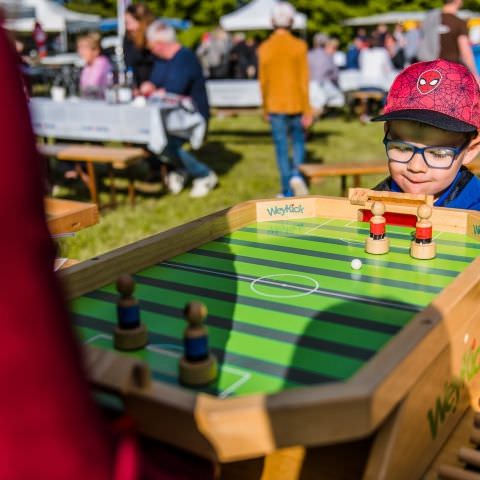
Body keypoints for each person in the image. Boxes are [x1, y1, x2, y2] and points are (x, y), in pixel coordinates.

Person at [371, 59, 480, 210]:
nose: (415, 167)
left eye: (438, 154)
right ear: (387, 133)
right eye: (402, 148)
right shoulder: (373, 203)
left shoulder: (475, 212)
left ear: (471, 150)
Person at [141, 21, 217, 198]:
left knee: (166, 143)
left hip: (191, 117)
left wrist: (156, 90)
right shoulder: (161, 61)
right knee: (151, 136)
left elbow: (175, 89)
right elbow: (156, 83)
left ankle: (203, 174)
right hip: (169, 117)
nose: (150, 49)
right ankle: (182, 169)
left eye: (151, 44)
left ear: (160, 43)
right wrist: (150, 86)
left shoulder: (186, 58)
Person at [258, 2, 312, 198]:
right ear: (291, 21)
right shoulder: (299, 46)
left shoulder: (264, 47)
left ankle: (287, 190)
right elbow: (304, 81)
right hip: (296, 103)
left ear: (272, 21)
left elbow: (263, 82)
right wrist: (308, 109)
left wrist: (264, 107)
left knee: (281, 149)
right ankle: (296, 174)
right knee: (298, 142)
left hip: (274, 105)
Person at [124, 3, 156, 87]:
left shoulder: (155, 38)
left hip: (154, 88)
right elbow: (129, 65)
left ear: (142, 21)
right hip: (137, 89)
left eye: (129, 23)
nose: (128, 28)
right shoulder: (128, 39)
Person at [77, 32, 112, 98]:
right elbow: (83, 88)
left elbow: (91, 87)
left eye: (84, 48)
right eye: (79, 48)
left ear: (96, 51)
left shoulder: (101, 63)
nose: (80, 51)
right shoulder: (88, 65)